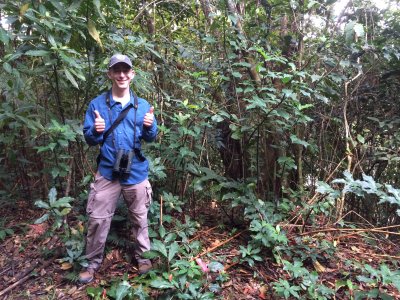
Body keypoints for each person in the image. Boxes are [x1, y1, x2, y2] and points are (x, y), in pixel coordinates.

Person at [79, 54, 157, 284]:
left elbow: (151, 137)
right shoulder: (97, 105)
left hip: (136, 171)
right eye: (117, 70)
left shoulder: (142, 105)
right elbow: (90, 139)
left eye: (126, 70)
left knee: (140, 217)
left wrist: (149, 126)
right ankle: (91, 263)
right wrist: (96, 130)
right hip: (107, 171)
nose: (122, 74)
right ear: (110, 74)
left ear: (132, 74)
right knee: (97, 218)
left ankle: (144, 258)